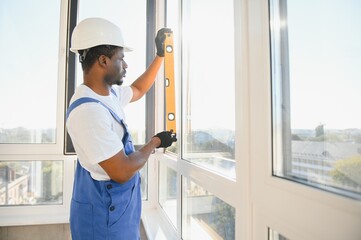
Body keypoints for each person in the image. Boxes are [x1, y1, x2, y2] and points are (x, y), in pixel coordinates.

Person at [66, 17, 176, 240]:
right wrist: (155, 141)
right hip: (104, 215)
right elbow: (123, 171)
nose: (125, 65)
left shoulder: (109, 94)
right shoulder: (88, 111)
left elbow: (138, 88)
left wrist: (160, 55)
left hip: (117, 208)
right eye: (121, 58)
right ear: (104, 60)